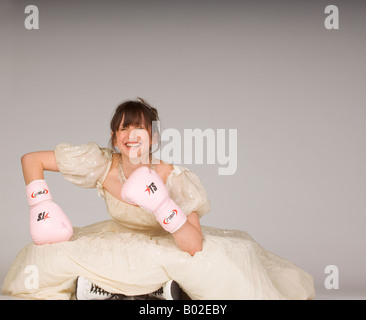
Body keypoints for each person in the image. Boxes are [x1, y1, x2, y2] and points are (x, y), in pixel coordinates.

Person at [2, 98, 315, 300]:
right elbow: (31, 159)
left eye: (139, 127)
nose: (131, 133)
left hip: (165, 243)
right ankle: (122, 292)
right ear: (114, 137)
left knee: (212, 266)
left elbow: (193, 244)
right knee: (44, 254)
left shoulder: (172, 176)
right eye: (124, 127)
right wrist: (41, 203)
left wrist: (163, 205)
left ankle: (149, 293)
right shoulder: (101, 162)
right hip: (117, 239)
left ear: (152, 137)